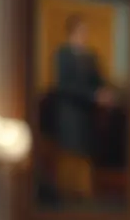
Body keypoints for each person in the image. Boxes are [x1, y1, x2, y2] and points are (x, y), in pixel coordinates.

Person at [49, 14, 117, 199]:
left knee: (85, 155)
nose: (85, 34)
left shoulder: (90, 56)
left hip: (87, 115)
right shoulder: (62, 54)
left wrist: (106, 92)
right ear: (73, 32)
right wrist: (93, 95)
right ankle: (66, 193)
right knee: (69, 154)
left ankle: (83, 194)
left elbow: (99, 80)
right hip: (69, 112)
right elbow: (63, 85)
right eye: (82, 31)